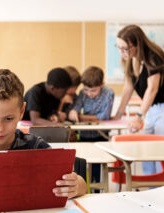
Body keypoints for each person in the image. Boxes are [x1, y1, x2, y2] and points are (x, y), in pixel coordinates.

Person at [0, 69, 87, 198]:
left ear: (21, 112)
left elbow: (81, 184)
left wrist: (77, 186)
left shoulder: (34, 146)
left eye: (8, 118)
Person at [113, 25, 164, 175]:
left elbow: (152, 89)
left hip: (162, 107)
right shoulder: (131, 60)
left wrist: (139, 117)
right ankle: (151, 190)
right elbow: (128, 87)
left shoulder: (154, 57)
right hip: (152, 109)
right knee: (146, 150)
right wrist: (118, 114)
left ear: (137, 45)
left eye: (125, 49)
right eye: (119, 47)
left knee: (160, 151)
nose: (121, 52)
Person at [68, 66, 114, 187]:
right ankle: (84, 190)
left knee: (97, 168)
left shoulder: (108, 93)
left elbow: (104, 116)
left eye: (93, 90)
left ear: (102, 84)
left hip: (101, 135)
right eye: (86, 90)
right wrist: (75, 113)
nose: (89, 93)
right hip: (84, 135)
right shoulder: (82, 93)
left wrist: (82, 117)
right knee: (82, 165)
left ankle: (97, 191)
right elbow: (75, 111)